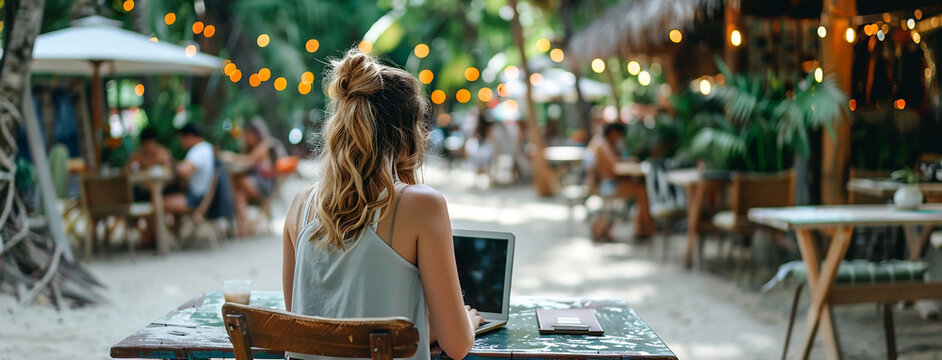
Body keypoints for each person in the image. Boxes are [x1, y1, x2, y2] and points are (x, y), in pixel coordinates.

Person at [282, 49, 482, 360]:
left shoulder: (300, 205)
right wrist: (465, 322)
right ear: (406, 138)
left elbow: (309, 323)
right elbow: (457, 346)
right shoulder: (421, 206)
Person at [585, 122, 654, 242]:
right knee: (641, 190)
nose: (620, 138)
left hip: (609, 183)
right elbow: (613, 166)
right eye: (619, 135)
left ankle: (644, 228)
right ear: (613, 133)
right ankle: (643, 230)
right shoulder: (602, 144)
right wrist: (629, 161)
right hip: (606, 186)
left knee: (642, 188)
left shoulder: (606, 144)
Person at [224, 118, 276, 237]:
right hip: (256, 184)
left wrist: (230, 157)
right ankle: (244, 228)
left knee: (236, 180)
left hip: (265, 186)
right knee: (239, 193)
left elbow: (248, 161)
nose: (246, 137)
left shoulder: (264, 145)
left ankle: (241, 225)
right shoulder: (253, 147)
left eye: (248, 134)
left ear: (256, 133)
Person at [165, 124, 215, 214]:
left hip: (197, 199)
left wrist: (170, 162)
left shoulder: (198, 150)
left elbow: (183, 171)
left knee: (161, 203)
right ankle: (177, 227)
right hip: (207, 197)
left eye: (182, 138)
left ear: (190, 136)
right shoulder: (207, 147)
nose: (181, 142)